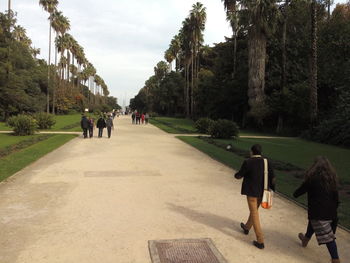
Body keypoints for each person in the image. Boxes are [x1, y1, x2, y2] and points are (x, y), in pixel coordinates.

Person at [294, 156, 341, 263]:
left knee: (329, 239)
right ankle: (305, 239)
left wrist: (297, 192)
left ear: (314, 167)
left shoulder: (312, 179)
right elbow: (336, 198)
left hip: (319, 213)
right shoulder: (332, 179)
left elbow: (297, 193)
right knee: (313, 221)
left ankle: (335, 259)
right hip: (332, 213)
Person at [234, 144, 275, 249]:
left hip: (252, 192)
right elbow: (273, 178)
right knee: (254, 211)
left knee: (254, 213)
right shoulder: (267, 161)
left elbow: (239, 175)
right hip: (263, 192)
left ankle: (260, 240)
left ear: (252, 151)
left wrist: (236, 175)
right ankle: (247, 227)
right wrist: (272, 190)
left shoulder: (248, 162)